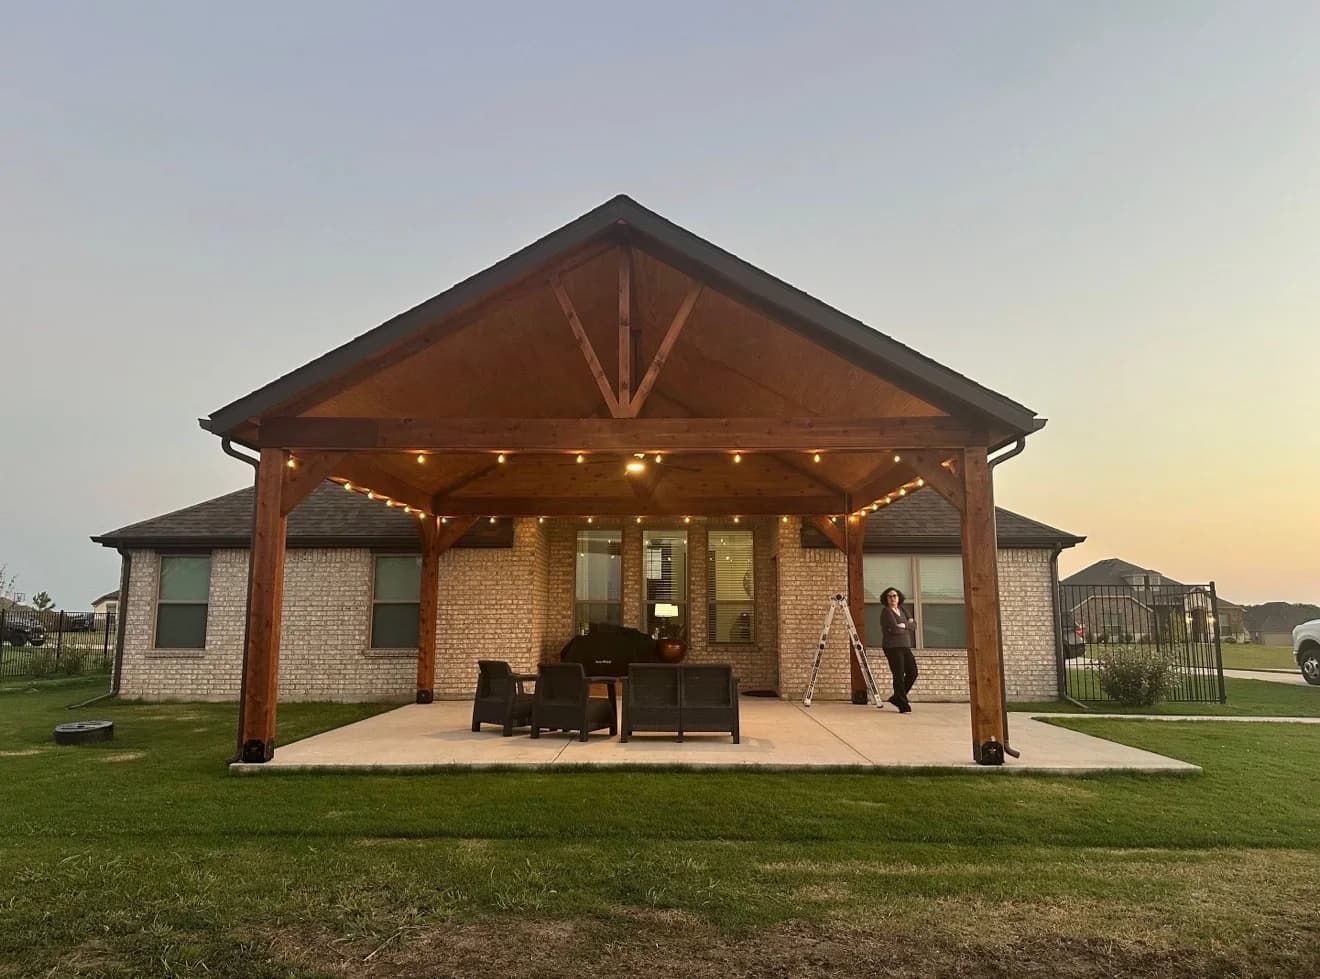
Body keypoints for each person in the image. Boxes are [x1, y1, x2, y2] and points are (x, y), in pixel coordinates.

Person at [879, 587, 918, 712]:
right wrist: (906, 626)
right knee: (899, 674)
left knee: (912, 672)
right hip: (892, 647)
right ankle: (902, 703)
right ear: (886, 599)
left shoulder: (903, 610)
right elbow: (894, 630)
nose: (892, 598)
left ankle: (897, 697)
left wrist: (904, 625)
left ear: (899, 597)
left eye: (894, 596)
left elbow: (914, 626)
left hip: (904, 645)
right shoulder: (886, 612)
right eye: (889, 596)